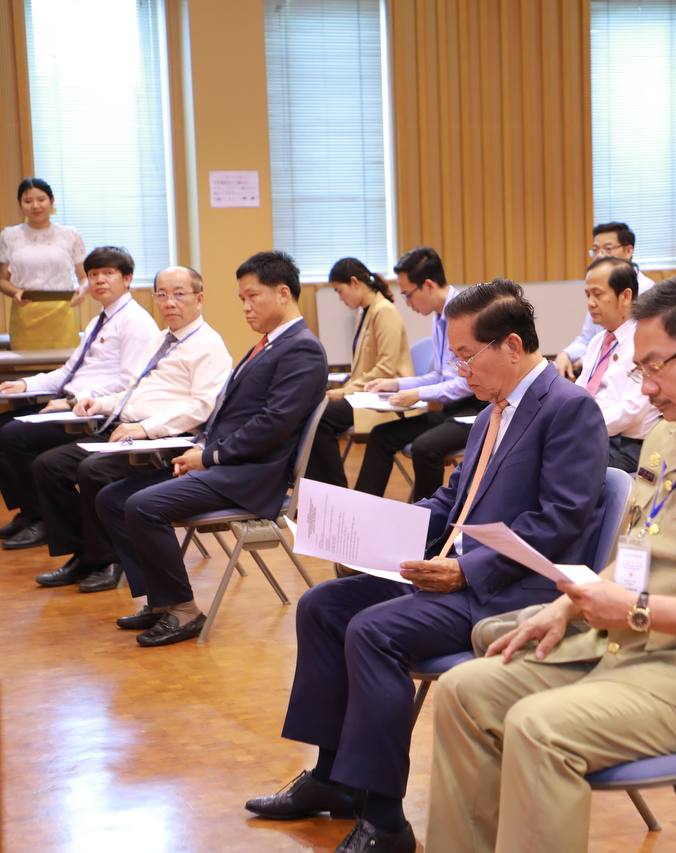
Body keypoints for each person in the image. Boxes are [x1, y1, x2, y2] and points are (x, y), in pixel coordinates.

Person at [424, 276, 676, 853]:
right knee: (465, 691)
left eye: (657, 367)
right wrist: (567, 607)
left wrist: (636, 611)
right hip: (627, 649)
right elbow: (638, 552)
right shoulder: (666, 436)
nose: (648, 388)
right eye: (640, 371)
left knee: (539, 729)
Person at [244, 279, 609, 853]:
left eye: (466, 355)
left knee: (373, 631)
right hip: (454, 577)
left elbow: (560, 520)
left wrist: (468, 572)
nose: (459, 371)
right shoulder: (491, 414)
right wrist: (378, 528)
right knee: (322, 606)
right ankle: (334, 776)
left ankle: (386, 819)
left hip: (512, 591)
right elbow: (452, 502)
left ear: (512, 346)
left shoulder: (568, 408)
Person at [97, 250, 326, 647]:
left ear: (283, 293)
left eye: (252, 297)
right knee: (111, 498)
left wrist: (208, 457)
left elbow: (273, 425)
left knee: (143, 506)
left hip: (251, 478)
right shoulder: (270, 344)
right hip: (226, 465)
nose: (245, 307)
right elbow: (226, 413)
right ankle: (160, 600)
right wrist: (200, 449)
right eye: (241, 299)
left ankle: (184, 610)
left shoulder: (302, 349)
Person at [28, 266, 231, 593]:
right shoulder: (161, 339)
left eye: (179, 294)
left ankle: (108, 560)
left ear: (200, 299)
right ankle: (84, 554)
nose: (169, 303)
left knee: (93, 471)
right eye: (162, 295)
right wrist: (100, 403)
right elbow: (134, 390)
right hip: (129, 429)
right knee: (49, 465)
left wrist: (145, 428)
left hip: (168, 440)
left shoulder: (209, 345)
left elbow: (202, 408)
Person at [0, 246, 160, 548]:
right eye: (93, 275)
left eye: (108, 273)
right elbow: (67, 372)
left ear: (127, 279)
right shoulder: (98, 320)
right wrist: (23, 384)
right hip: (69, 403)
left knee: (13, 436)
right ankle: (33, 513)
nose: (99, 280)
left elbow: (129, 383)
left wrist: (74, 400)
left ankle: (47, 520)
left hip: (93, 411)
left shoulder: (135, 321)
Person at [355, 247, 481, 501]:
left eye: (407, 295)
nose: (408, 303)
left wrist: (417, 394)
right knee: (381, 436)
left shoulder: (465, 314)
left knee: (425, 448)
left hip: (475, 411)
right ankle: (359, 510)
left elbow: (466, 384)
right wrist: (397, 384)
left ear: (428, 285)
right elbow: (441, 375)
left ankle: (428, 521)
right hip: (451, 409)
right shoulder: (439, 317)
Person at [304, 257, 412, 487]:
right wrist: (345, 388)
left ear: (354, 282)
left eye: (339, 291)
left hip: (388, 396)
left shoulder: (385, 312)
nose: (340, 298)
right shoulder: (365, 313)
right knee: (314, 412)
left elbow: (385, 369)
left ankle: (335, 491)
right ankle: (324, 489)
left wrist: (346, 391)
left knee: (321, 418)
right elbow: (364, 369)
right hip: (369, 392)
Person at [576, 255, 659, 472]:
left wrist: (581, 426)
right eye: (587, 295)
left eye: (598, 294)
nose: (590, 303)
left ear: (625, 296)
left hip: (627, 445)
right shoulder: (597, 341)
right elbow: (579, 392)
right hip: (591, 434)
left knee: (568, 468)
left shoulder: (644, 340)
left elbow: (631, 411)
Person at [554, 221, 658, 379]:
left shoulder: (648, 290)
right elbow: (587, 338)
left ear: (628, 251)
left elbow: (632, 342)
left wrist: (586, 360)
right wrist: (566, 354)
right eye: (595, 249)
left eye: (608, 249)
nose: (600, 255)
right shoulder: (598, 291)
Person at [0, 177, 87, 349]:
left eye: (41, 199)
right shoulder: (9, 235)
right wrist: (16, 292)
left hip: (62, 312)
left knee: (63, 363)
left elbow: (84, 277)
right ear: (20, 205)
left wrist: (82, 290)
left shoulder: (70, 234)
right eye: (28, 201)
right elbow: (2, 280)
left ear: (51, 201)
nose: (35, 205)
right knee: (26, 365)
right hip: (25, 311)